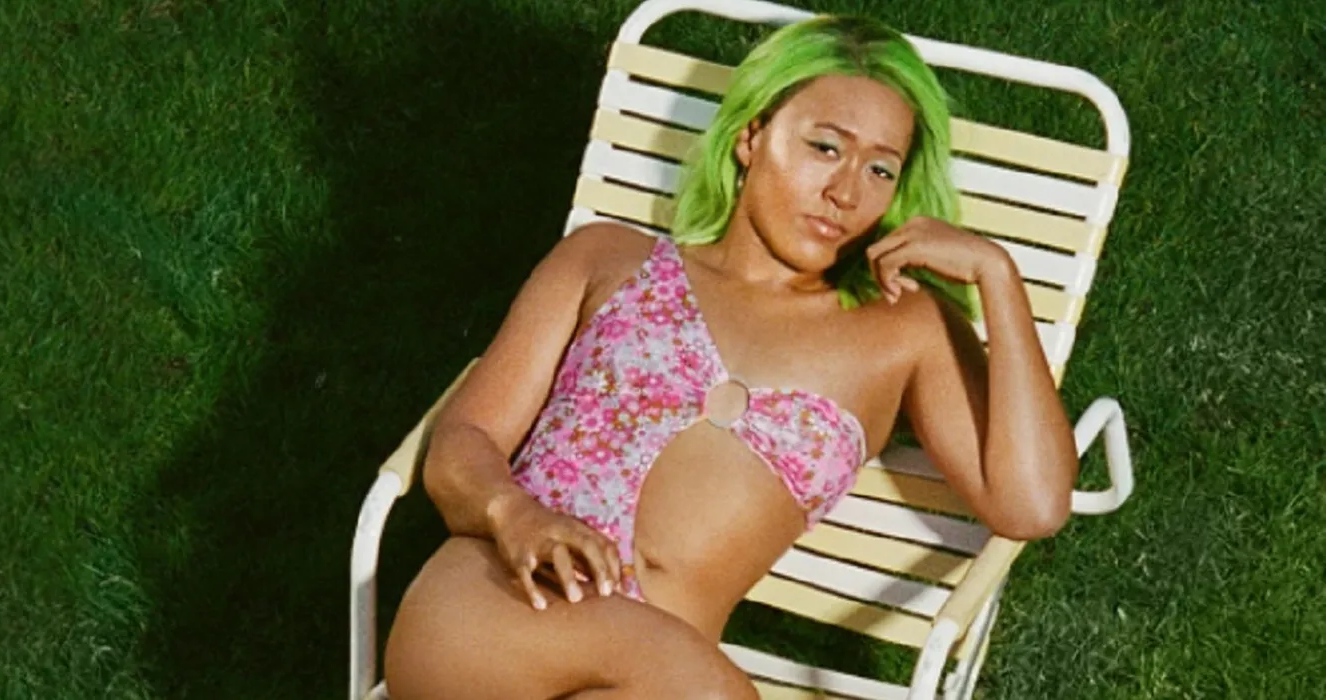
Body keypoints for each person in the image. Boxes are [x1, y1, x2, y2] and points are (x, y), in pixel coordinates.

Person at [383, 15, 1078, 700]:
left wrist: (998, 277)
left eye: (879, 169)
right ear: (751, 136)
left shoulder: (906, 331)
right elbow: (462, 440)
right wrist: (514, 515)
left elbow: (1033, 505)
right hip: (499, 610)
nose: (845, 193)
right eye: (824, 147)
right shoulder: (605, 259)